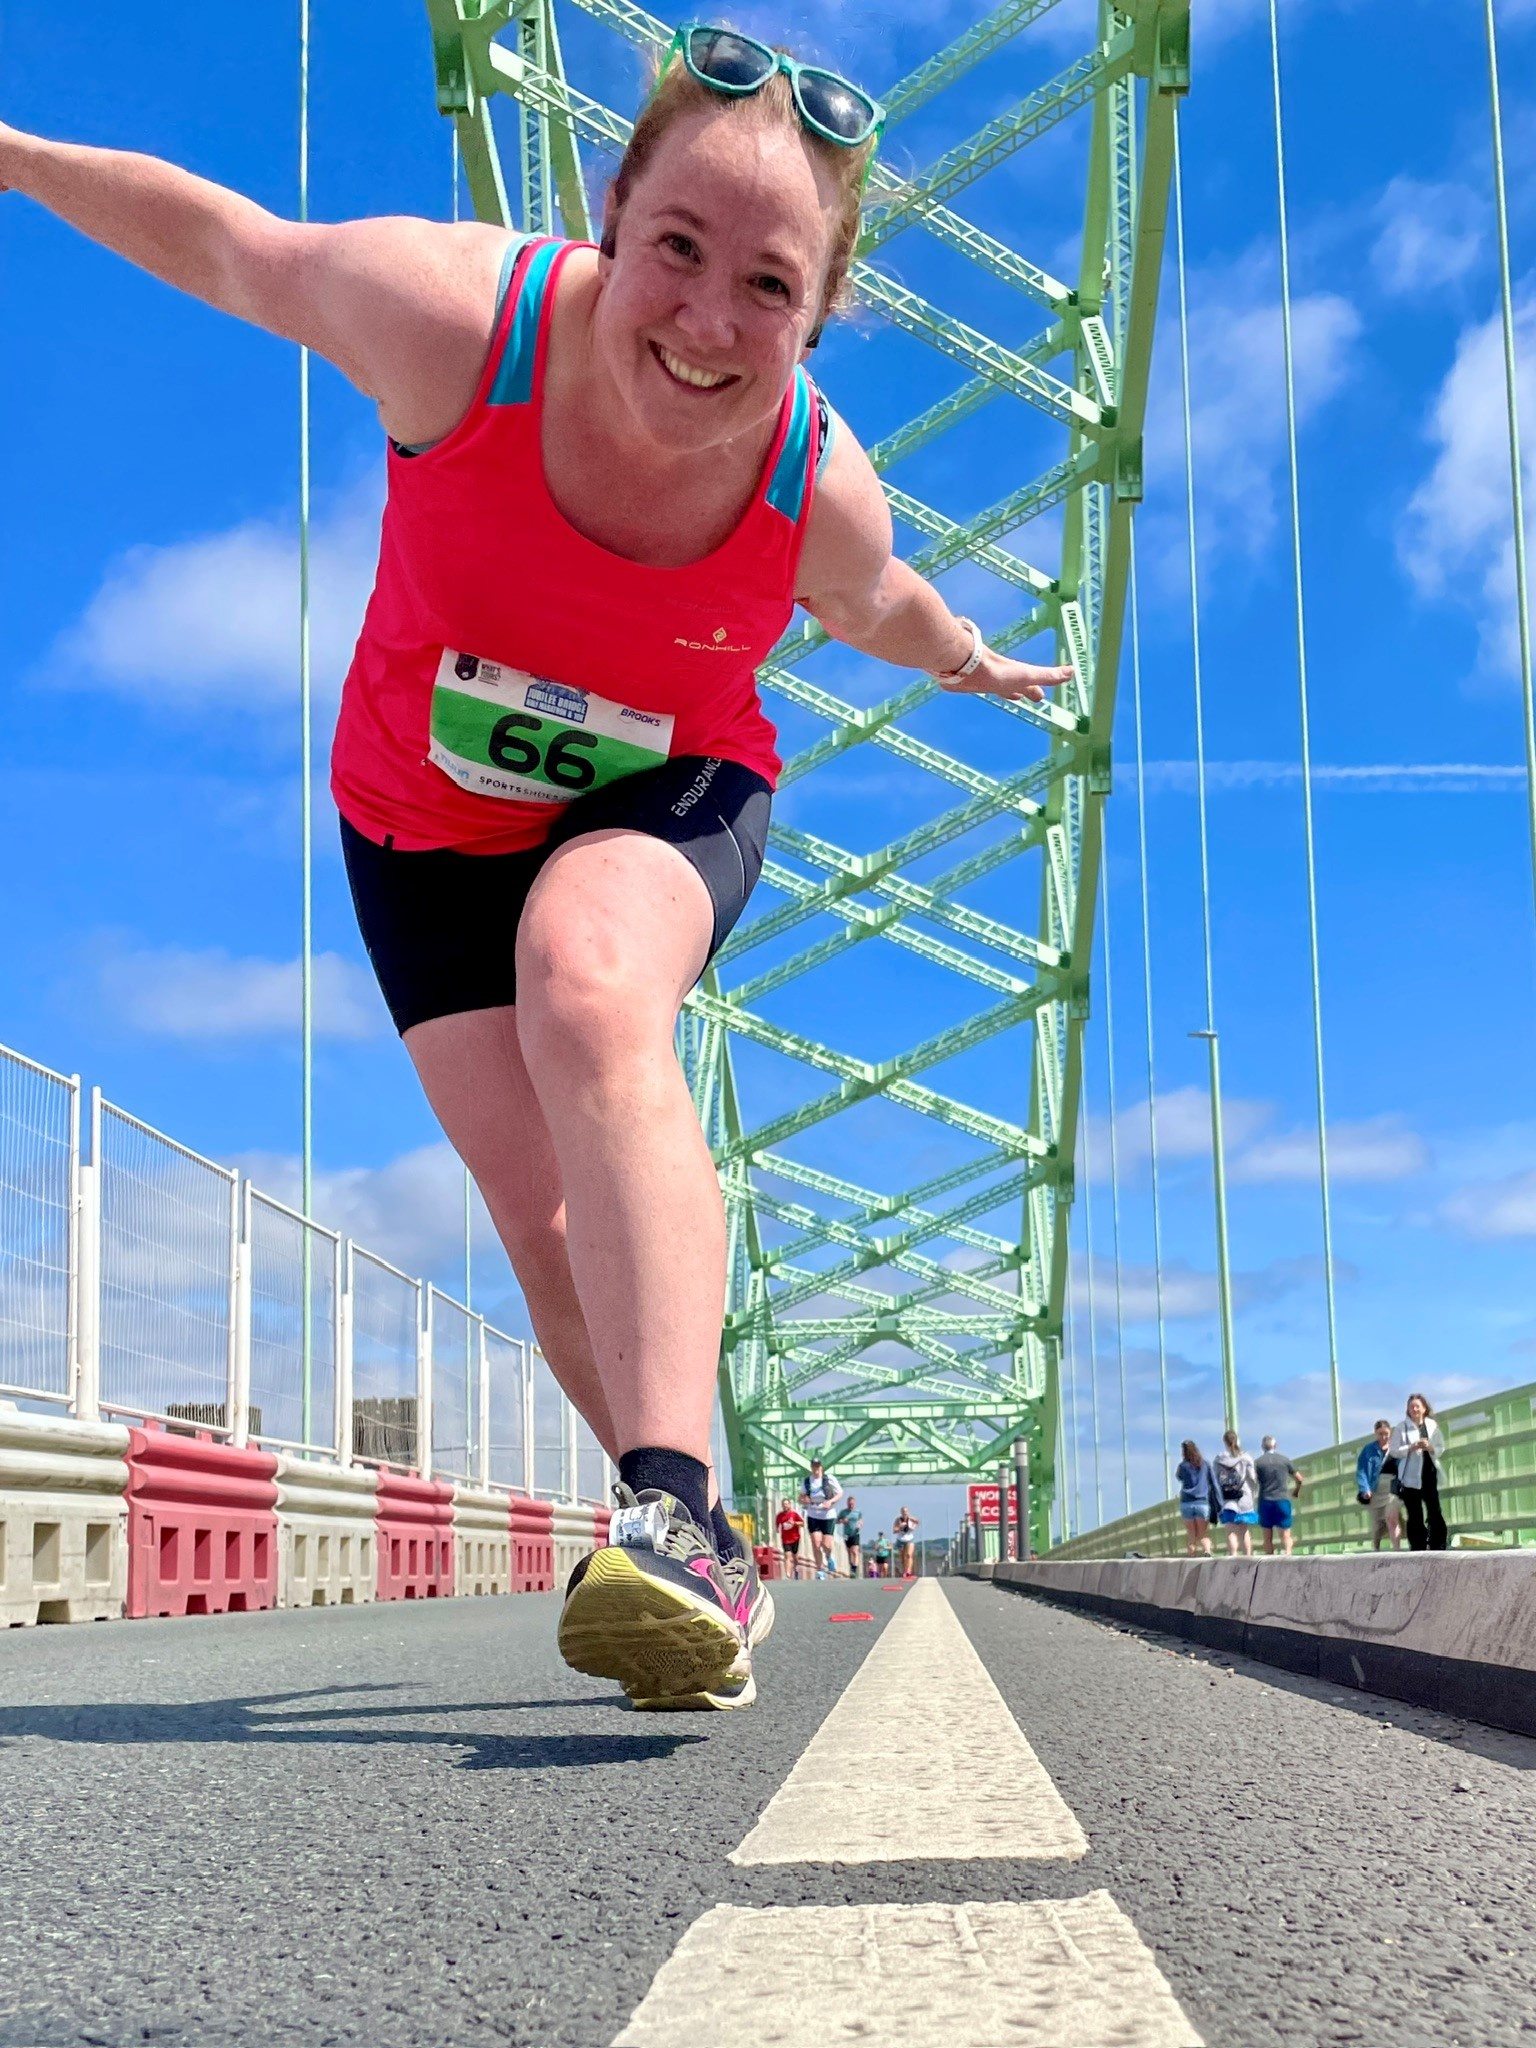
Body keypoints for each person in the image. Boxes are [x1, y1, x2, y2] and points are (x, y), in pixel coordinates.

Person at [0, 29, 1069, 1712]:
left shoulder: (816, 487)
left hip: (674, 783)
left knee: (587, 974)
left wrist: (973, 668)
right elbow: (227, 246)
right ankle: (692, 1539)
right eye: (679, 250)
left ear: (821, 305)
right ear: (611, 217)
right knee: (538, 1215)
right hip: (415, 825)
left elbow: (886, 608)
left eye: (771, 285)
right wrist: (9, 151)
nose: (712, 319)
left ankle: (673, 1505)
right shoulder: (452, 319)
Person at [1390, 1393, 1448, 1551]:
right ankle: (1418, 1546)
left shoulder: (1432, 1426)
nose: (1414, 1409)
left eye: (1417, 1406)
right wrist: (1412, 1447)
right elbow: (1394, 1450)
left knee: (1434, 1509)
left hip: (1429, 1472)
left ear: (1424, 1408)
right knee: (1414, 1513)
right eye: (1411, 1407)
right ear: (1408, 1410)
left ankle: (1438, 1544)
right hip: (1410, 1477)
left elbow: (1440, 1448)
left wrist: (1430, 1447)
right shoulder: (1401, 1428)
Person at [1355, 1419, 1403, 1551]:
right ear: (1376, 1434)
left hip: (1392, 1490)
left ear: (1390, 1432)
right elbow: (1361, 1470)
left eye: (1386, 1433)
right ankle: (1376, 1549)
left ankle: (1396, 1550)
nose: (1383, 1437)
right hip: (1375, 1490)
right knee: (1377, 1524)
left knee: (1392, 1518)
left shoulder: (1396, 1448)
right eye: (1380, 1434)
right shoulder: (1368, 1450)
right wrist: (1365, 1488)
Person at [1253, 1434, 1304, 1557]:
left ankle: (1270, 1560)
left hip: (1265, 1501)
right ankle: (1288, 1555)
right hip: (1282, 1499)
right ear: (1275, 1446)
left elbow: (1253, 1482)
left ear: (1262, 1447)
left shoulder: (1258, 1463)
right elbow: (1300, 1479)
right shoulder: (1284, 1460)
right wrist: (1296, 1490)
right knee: (1286, 1534)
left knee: (1267, 1537)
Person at [1212, 1431, 1260, 1558]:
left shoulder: (1219, 1459)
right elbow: (1253, 1478)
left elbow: (1215, 1480)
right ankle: (1248, 1556)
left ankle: (1233, 1556)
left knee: (1230, 1529)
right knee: (1244, 1530)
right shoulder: (1246, 1457)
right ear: (1236, 1440)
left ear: (1225, 1442)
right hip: (1244, 1497)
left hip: (1227, 1499)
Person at [1174, 1440, 1220, 1557]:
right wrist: (1220, 1502)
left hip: (1186, 1503)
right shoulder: (1205, 1464)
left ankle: (1191, 1557)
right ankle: (1207, 1551)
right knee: (1203, 1534)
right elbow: (1214, 1484)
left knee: (1191, 1535)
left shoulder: (1183, 1466)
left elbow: (1179, 1477)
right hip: (1202, 1503)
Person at [800, 1458, 843, 1577]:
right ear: (811, 1467)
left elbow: (840, 1493)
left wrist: (831, 1501)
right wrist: (805, 1500)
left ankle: (829, 1557)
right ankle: (820, 1570)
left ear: (821, 1467)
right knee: (816, 1543)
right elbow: (801, 1496)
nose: (816, 1469)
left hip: (828, 1514)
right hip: (813, 1514)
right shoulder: (807, 1481)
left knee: (826, 1544)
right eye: (814, 1466)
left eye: (818, 1466)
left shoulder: (829, 1479)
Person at [774, 1497, 805, 1580]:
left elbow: (802, 1523)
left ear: (789, 1505)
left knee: (795, 1556)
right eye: (783, 1505)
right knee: (788, 1556)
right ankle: (787, 1574)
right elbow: (777, 1525)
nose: (785, 1506)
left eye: (786, 1504)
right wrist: (777, 1529)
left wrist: (794, 1523)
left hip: (795, 1538)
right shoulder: (779, 1516)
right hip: (785, 1539)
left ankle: (796, 1568)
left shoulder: (794, 1514)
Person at [836, 1494, 863, 1578]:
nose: (851, 1505)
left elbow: (861, 1520)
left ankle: (854, 1569)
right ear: (847, 1504)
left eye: (852, 1504)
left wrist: (860, 1525)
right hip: (846, 1535)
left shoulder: (858, 1512)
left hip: (855, 1533)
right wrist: (842, 1521)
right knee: (849, 1552)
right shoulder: (843, 1512)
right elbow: (836, 1521)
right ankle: (851, 1566)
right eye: (849, 1504)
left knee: (855, 1551)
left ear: (854, 1504)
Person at [892, 1505, 920, 1577]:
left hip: (909, 1538)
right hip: (900, 1539)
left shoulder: (911, 1519)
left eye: (906, 1511)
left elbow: (917, 1522)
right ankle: (904, 1571)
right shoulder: (898, 1520)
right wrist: (900, 1528)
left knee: (909, 1555)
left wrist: (913, 1527)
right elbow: (894, 1530)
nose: (905, 1513)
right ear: (901, 1512)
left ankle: (909, 1571)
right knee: (902, 1557)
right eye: (903, 1511)